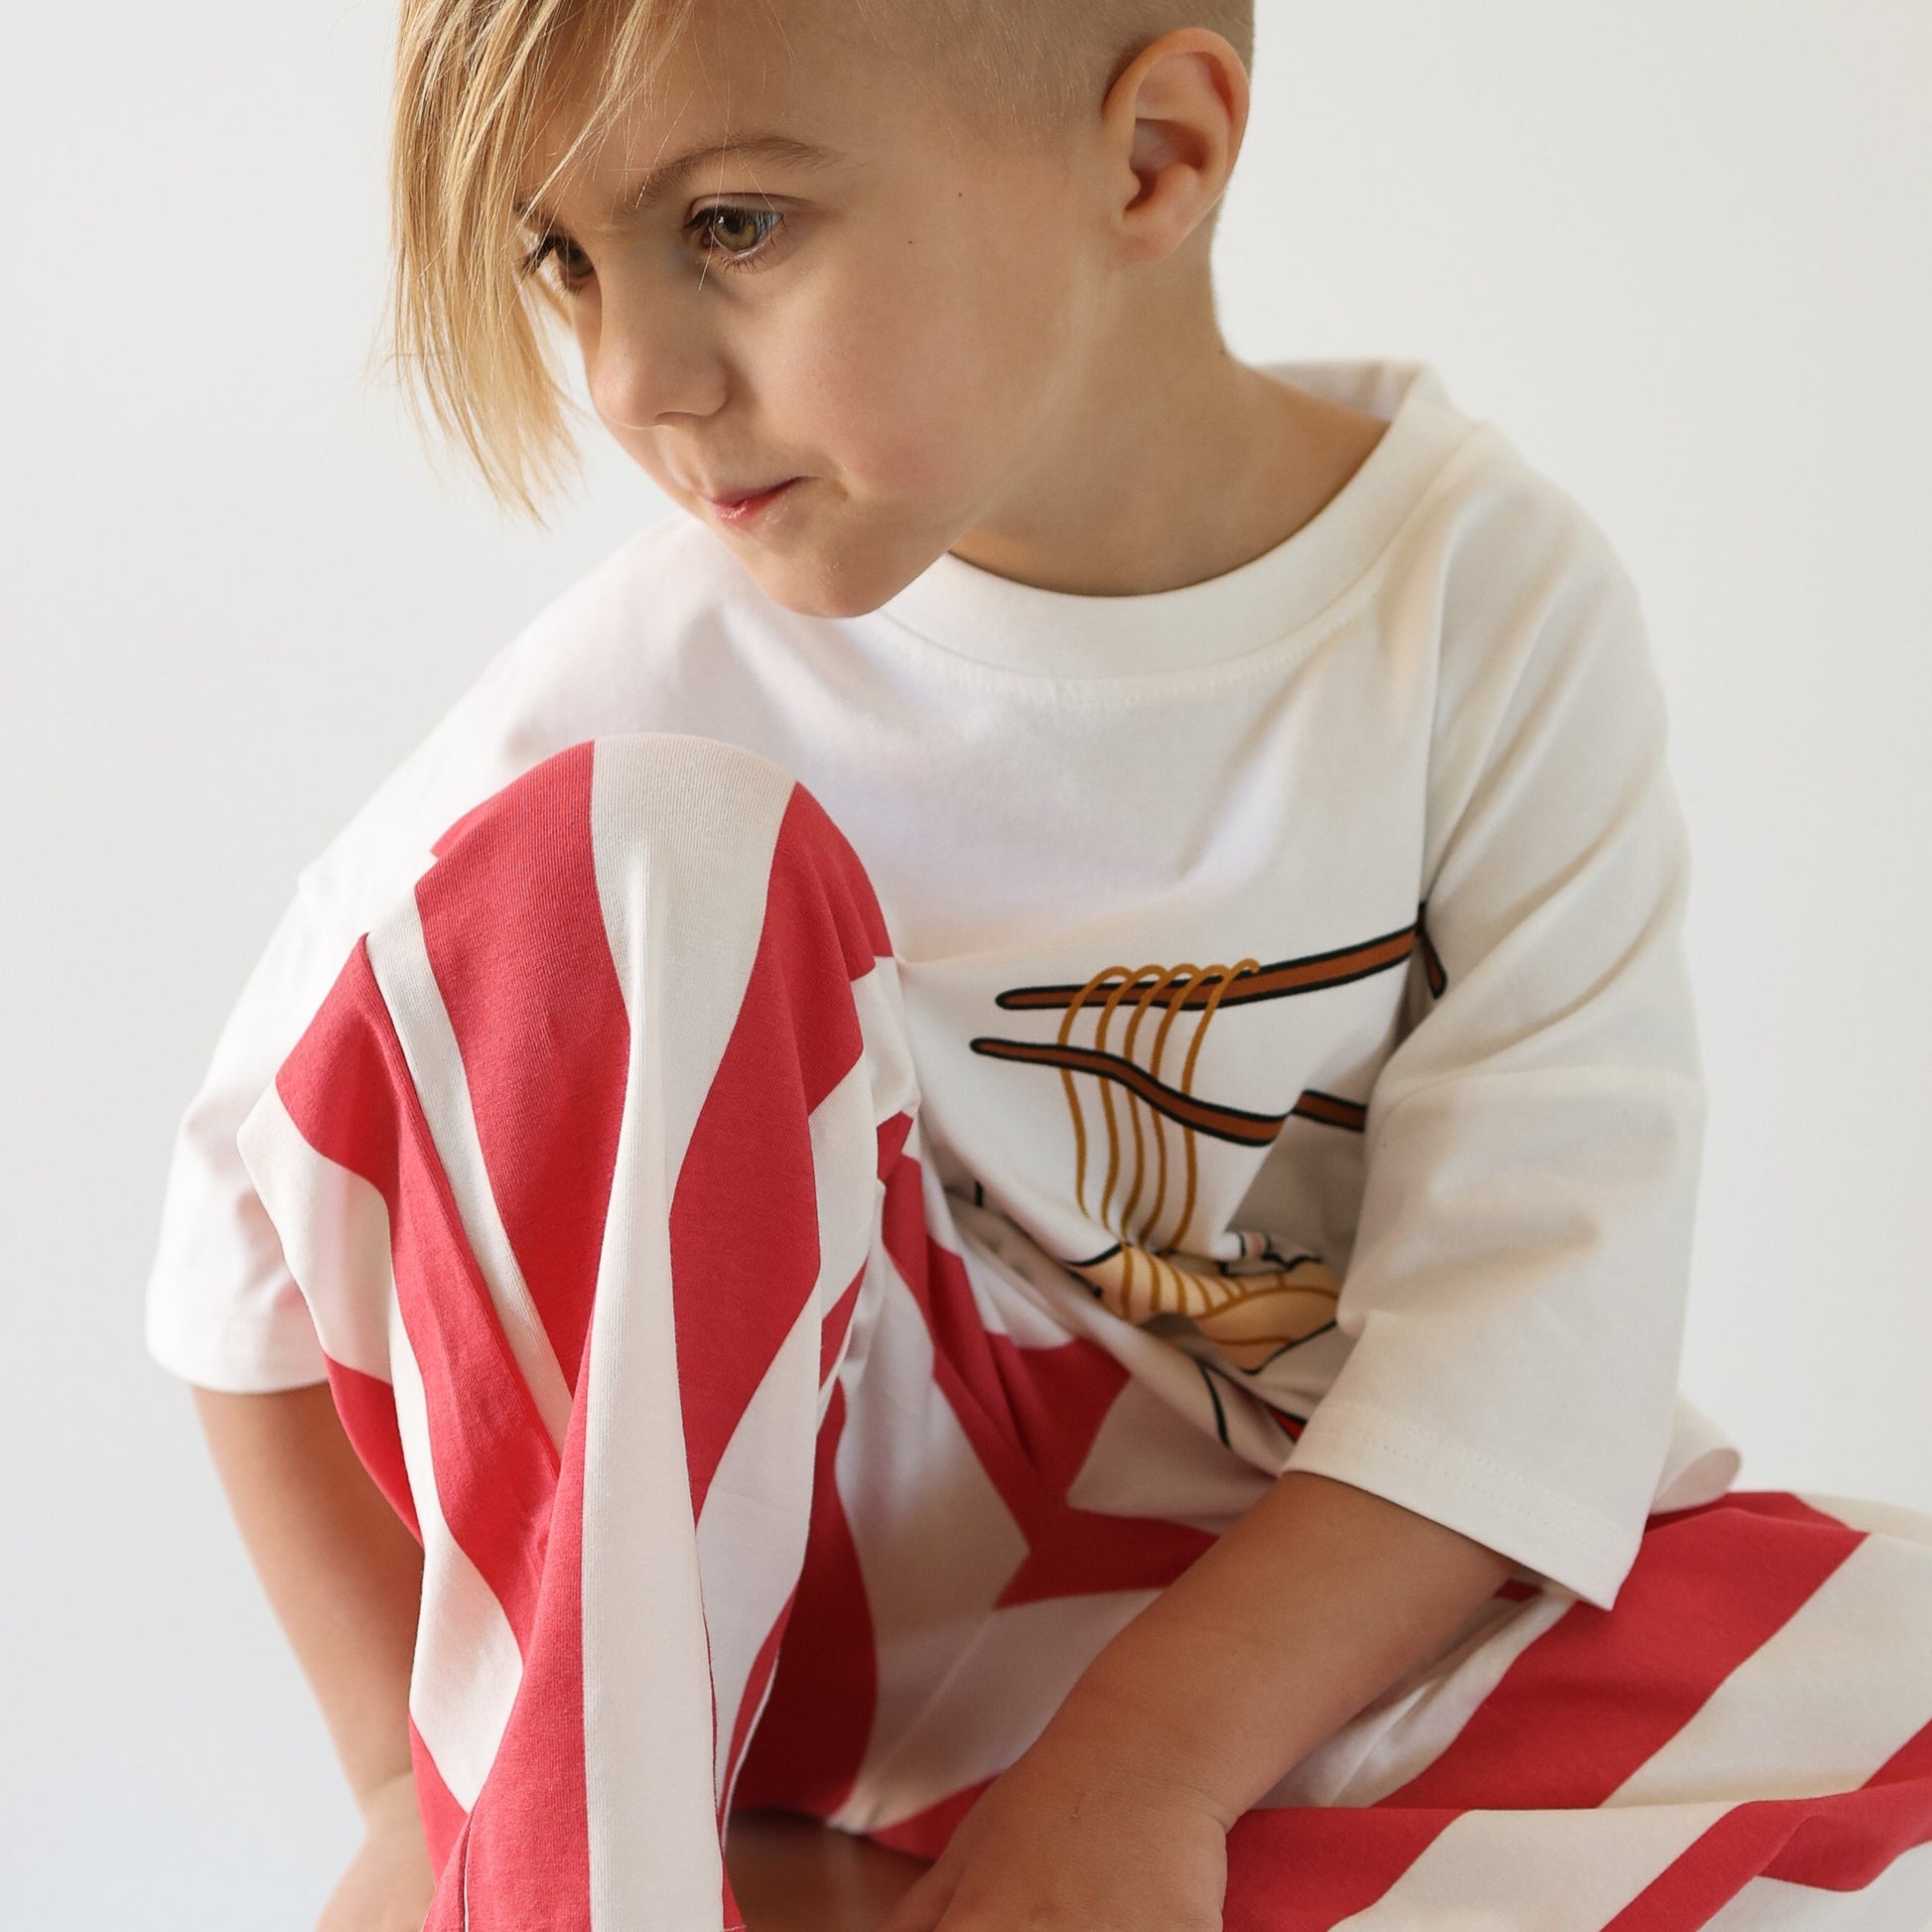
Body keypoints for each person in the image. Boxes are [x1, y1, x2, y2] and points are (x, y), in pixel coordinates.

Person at [145, 2, 1932, 1928]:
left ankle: (939, 1870)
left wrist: (1139, 1765)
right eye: (562, 259)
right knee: (633, 850)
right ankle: (617, 1857)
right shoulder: (641, 689)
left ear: (1154, 155)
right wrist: (402, 1788)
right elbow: (247, 1234)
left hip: (1252, 1618)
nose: (631, 376)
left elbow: (1527, 1349)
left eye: (730, 226)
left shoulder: (1476, 606)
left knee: (1884, 1663)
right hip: (764, 1636)